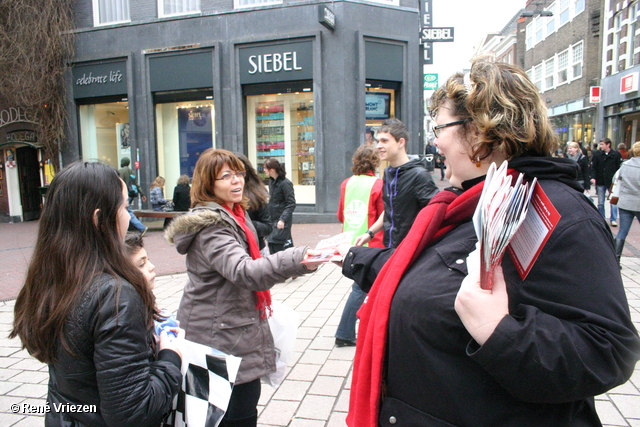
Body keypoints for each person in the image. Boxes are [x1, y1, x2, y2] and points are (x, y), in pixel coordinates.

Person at [338, 58, 640, 426]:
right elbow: (431, 274)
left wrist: (500, 332)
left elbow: (607, 350)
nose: (436, 140)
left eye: (440, 127)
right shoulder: (472, 204)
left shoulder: (559, 215)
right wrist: (356, 259)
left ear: (481, 130)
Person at [10, 161, 182, 426]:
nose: (129, 215)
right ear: (99, 218)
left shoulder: (49, 278)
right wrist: (170, 358)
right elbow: (133, 413)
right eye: (125, 207)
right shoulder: (113, 296)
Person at [165, 148, 318, 427]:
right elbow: (245, 271)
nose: (237, 181)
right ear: (208, 184)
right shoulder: (212, 226)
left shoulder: (235, 213)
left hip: (231, 327)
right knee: (232, 415)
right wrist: (297, 258)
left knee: (241, 409)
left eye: (239, 174)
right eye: (226, 176)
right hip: (217, 337)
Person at [354, 118, 439, 249]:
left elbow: (434, 215)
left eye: (384, 141)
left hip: (411, 251)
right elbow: (389, 209)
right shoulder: (388, 173)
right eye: (378, 141)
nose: (378, 146)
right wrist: (370, 233)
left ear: (401, 142)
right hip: (390, 247)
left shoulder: (419, 175)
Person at [334, 145, 385, 347]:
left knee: (366, 287)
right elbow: (384, 216)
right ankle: (345, 333)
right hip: (372, 243)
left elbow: (341, 215)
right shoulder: (378, 184)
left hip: (349, 243)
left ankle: (358, 330)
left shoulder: (347, 183)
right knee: (361, 287)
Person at [236, 153, 272, 252]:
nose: (235, 178)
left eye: (240, 173)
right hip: (231, 251)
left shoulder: (257, 192)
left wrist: (247, 224)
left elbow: (268, 227)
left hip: (255, 248)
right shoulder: (221, 194)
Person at [613, 141, 640, 265]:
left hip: (625, 202)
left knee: (622, 231)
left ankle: (616, 258)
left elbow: (617, 179)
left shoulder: (625, 165)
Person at [263, 158, 296, 254]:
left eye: (265, 168)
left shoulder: (286, 183)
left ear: (271, 170)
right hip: (273, 220)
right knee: (271, 244)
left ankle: (287, 266)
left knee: (281, 246)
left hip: (281, 221)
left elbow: (291, 203)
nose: (264, 170)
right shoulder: (272, 182)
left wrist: (283, 219)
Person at [591, 137, 622, 226]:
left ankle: (613, 219)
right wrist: (593, 177)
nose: (600, 146)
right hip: (600, 180)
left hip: (611, 181)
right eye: (600, 144)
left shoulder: (615, 155)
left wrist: (617, 179)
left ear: (608, 145)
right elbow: (594, 167)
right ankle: (602, 218)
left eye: (602, 144)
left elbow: (618, 168)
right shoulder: (597, 154)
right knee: (600, 202)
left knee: (613, 200)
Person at [118, 157, 147, 235]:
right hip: (131, 194)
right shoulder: (132, 172)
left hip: (124, 195)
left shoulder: (121, 171)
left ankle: (141, 227)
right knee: (126, 210)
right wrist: (142, 194)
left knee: (127, 211)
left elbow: (119, 184)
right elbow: (137, 184)